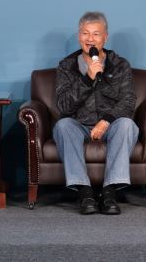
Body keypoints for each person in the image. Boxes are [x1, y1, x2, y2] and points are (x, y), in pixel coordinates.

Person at [53, 11, 138, 215]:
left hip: (110, 125)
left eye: (96, 34)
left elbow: (128, 101)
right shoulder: (66, 66)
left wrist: (106, 121)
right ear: (79, 36)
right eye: (85, 33)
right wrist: (86, 79)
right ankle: (85, 193)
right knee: (62, 126)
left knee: (127, 125)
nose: (90, 39)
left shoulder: (120, 65)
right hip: (79, 124)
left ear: (105, 37)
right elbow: (64, 106)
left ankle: (109, 192)